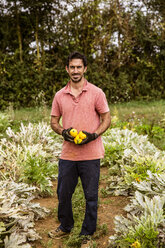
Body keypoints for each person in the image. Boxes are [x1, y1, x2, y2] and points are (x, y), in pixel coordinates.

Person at [49, 51, 111, 247]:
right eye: (72, 67)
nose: (75, 70)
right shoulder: (60, 95)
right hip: (68, 154)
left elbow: (106, 118)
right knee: (63, 194)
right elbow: (53, 121)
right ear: (67, 69)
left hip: (91, 154)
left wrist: (93, 135)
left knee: (91, 195)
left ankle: (87, 233)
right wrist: (62, 132)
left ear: (85, 69)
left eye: (79, 67)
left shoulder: (96, 93)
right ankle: (65, 225)